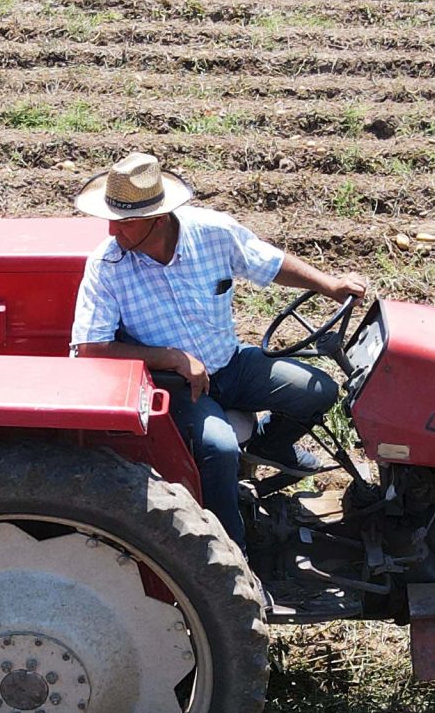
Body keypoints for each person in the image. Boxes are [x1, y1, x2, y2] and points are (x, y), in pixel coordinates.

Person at [67, 152, 370, 549]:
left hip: (230, 361)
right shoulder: (107, 266)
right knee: (219, 448)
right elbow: (92, 348)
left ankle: (268, 448)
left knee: (318, 391)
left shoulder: (213, 232)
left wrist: (328, 285)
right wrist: (172, 359)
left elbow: (270, 263)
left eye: (123, 223)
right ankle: (231, 552)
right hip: (177, 384)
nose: (111, 232)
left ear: (157, 219)